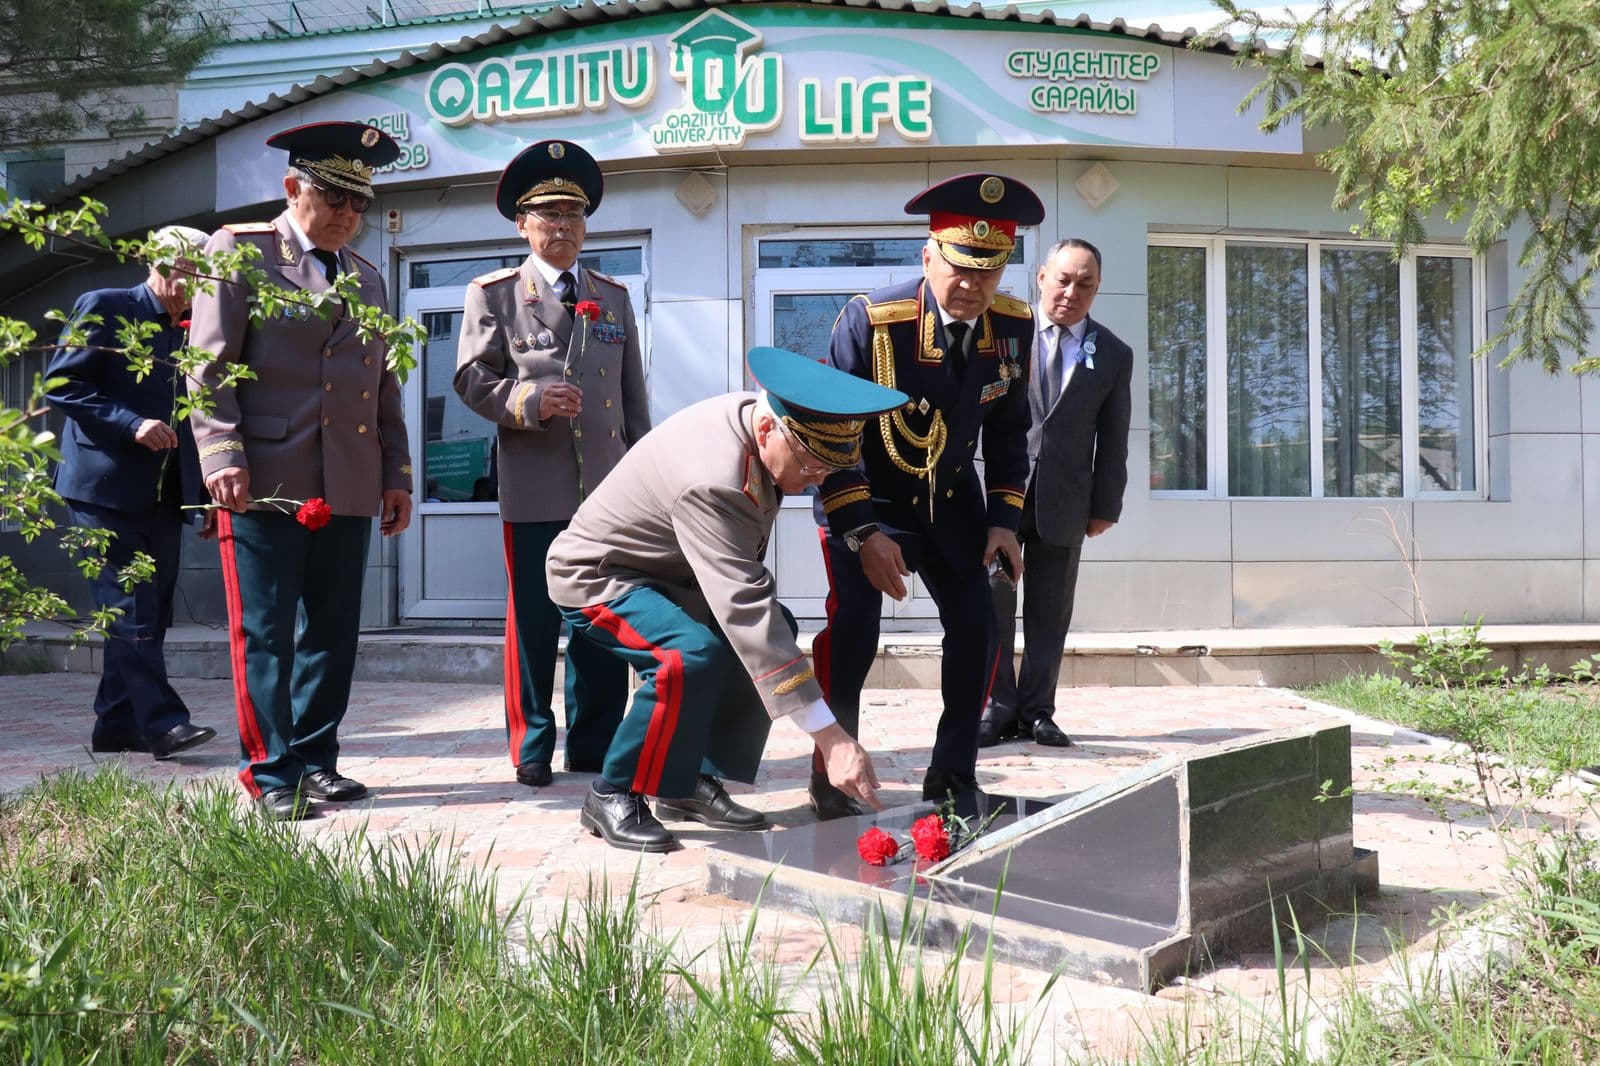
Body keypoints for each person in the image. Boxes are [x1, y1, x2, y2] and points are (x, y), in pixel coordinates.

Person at [546, 346, 905, 852]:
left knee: (772, 626)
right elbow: (743, 606)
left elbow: (749, 600)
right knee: (685, 656)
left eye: (826, 473)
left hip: (672, 574)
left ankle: (686, 782)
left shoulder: (763, 426)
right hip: (600, 576)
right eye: (811, 467)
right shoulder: (713, 478)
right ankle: (611, 793)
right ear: (768, 433)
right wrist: (830, 735)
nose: (814, 484)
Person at [187, 121, 413, 820]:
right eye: (332, 197)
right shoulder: (240, 253)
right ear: (293, 188)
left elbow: (384, 386)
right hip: (263, 481)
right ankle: (271, 771)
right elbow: (209, 365)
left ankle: (317, 760)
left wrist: (396, 473)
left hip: (348, 479)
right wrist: (221, 453)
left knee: (332, 631)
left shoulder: (369, 280)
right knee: (267, 631)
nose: (347, 215)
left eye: (358, 203)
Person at [810, 173, 1043, 818]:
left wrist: (1004, 522)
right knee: (852, 635)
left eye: (988, 271)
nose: (971, 286)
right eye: (959, 268)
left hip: (955, 505)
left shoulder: (1013, 328)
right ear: (928, 257)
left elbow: (1008, 428)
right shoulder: (871, 322)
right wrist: (864, 533)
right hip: (870, 502)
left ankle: (953, 775)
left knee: (977, 630)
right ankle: (832, 775)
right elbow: (833, 440)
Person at [454, 139, 650, 789]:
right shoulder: (496, 295)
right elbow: (470, 378)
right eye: (548, 215)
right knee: (534, 622)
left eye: (573, 214)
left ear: (586, 223)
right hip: (535, 486)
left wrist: (645, 480)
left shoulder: (613, 296)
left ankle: (593, 744)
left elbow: (634, 401)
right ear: (523, 225)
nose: (562, 226)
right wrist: (530, 400)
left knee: (602, 618)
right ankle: (532, 744)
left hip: (607, 494)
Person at [46, 225, 218, 760]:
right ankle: (164, 724)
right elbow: (60, 383)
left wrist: (201, 495)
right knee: (130, 606)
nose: (196, 280)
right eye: (188, 267)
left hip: (164, 495)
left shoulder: (190, 332)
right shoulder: (106, 305)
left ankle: (115, 725)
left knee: (152, 612)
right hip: (103, 489)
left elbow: (195, 422)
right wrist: (130, 423)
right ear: (156, 262)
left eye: (204, 270)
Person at [981, 239, 1132, 748]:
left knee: (1051, 610)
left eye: (1084, 283)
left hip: (1067, 503)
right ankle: (997, 708)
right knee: (995, 606)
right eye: (1063, 279)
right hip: (1000, 497)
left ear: (1097, 288)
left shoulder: (1113, 353)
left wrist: (1105, 506)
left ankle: (1037, 711)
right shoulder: (1003, 338)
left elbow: (1114, 437)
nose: (1071, 291)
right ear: (1041, 277)